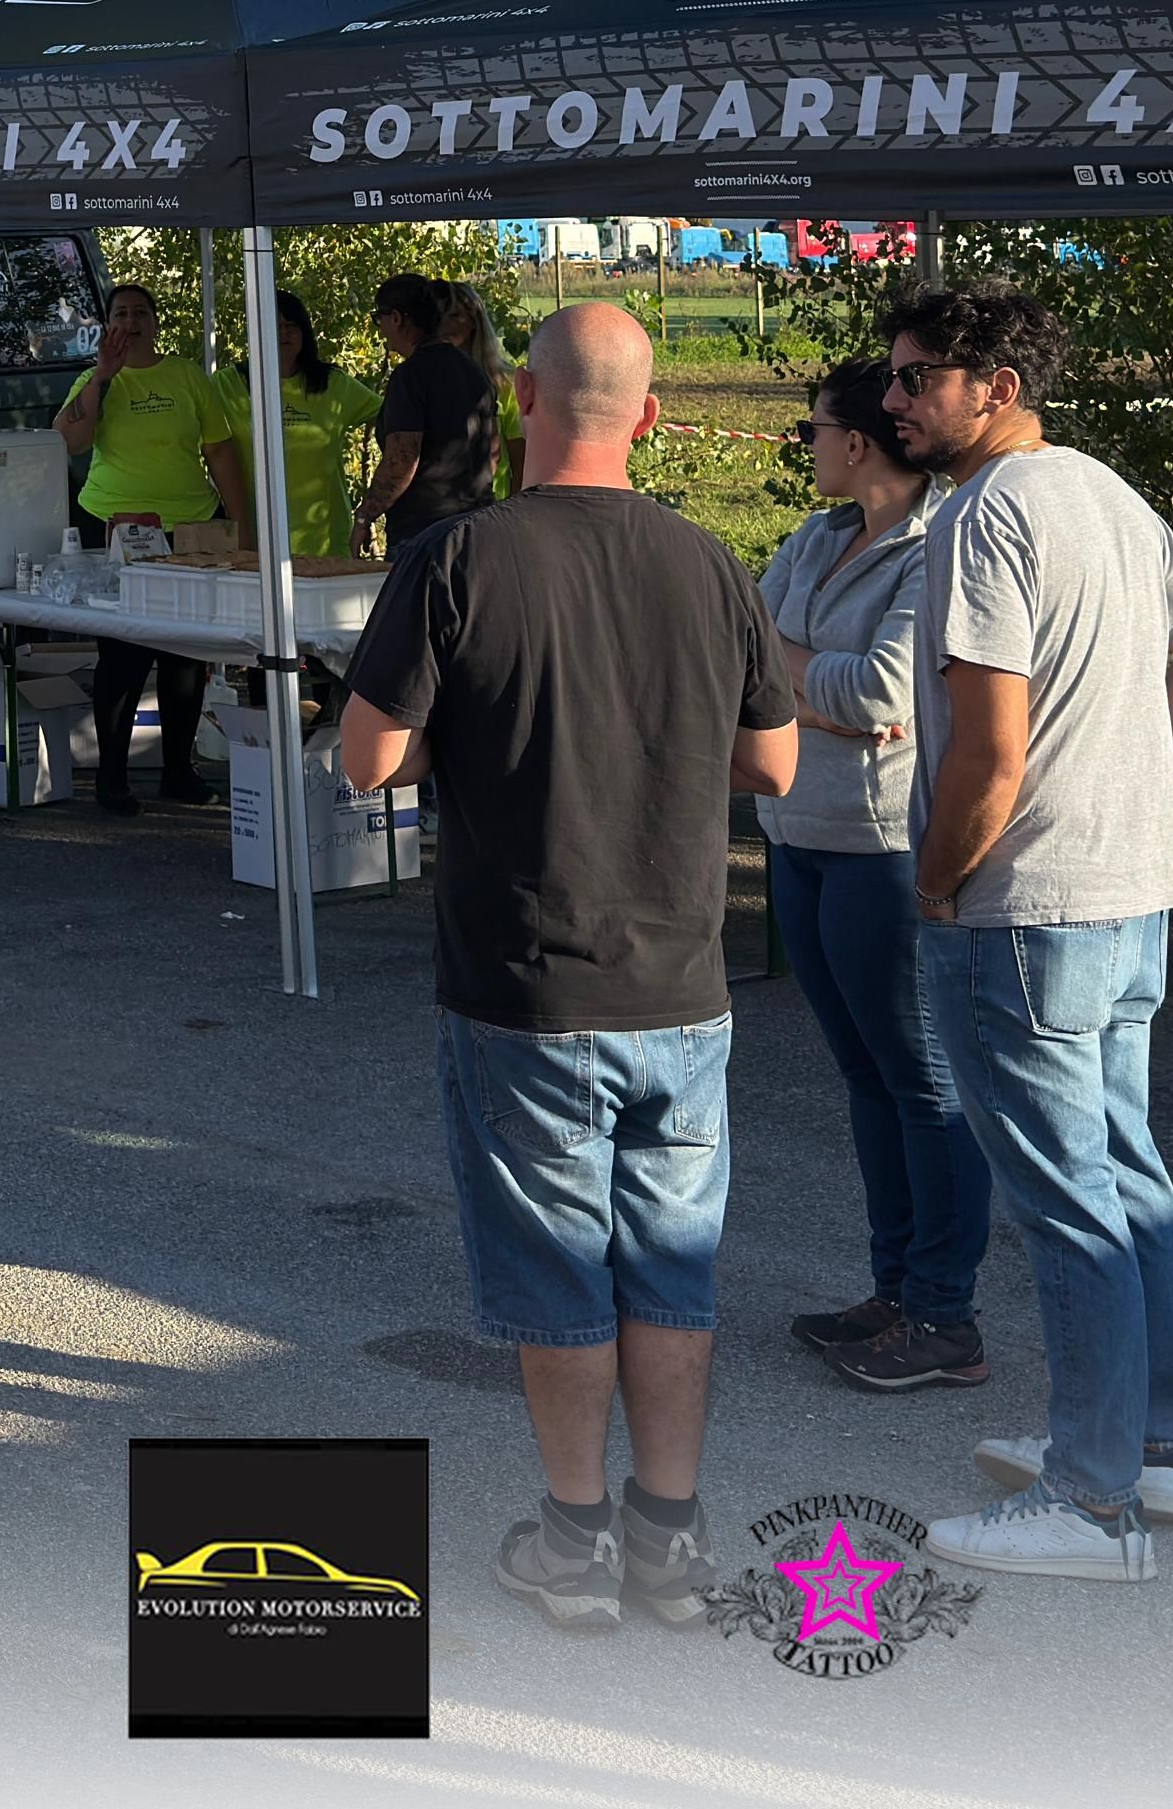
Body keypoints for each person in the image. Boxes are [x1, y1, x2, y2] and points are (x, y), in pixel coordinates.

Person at [338, 303, 797, 1639]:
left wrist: (480, 739)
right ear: (649, 416)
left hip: (526, 985)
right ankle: (671, 1536)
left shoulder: (454, 556)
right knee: (670, 1272)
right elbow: (773, 765)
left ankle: (575, 1538)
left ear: (519, 398)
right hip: (682, 986)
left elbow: (368, 760)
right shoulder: (711, 563)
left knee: (558, 1275)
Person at [881, 282, 1173, 1584]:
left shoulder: (982, 517)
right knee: (1124, 1181)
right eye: (894, 376)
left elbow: (988, 753)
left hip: (1024, 910)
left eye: (917, 377)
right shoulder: (1103, 491)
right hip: (1125, 892)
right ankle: (1139, 1453)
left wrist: (937, 883)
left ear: (995, 388)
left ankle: (1091, 1504)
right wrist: (1127, 779)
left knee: (1067, 1204)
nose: (892, 399)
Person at [757, 358, 989, 1394]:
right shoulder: (815, 537)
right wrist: (819, 693)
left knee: (922, 1083)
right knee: (865, 1076)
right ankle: (893, 1292)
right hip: (796, 833)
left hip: (881, 847)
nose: (804, 446)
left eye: (812, 429)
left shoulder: (932, 548)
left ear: (855, 444)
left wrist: (790, 680)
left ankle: (944, 1312)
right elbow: (738, 652)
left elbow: (885, 692)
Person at [59, 282, 253, 811]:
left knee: (184, 654)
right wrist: (102, 377)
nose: (132, 321)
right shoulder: (95, 379)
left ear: (156, 322)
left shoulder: (188, 375)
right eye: (121, 313)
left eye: (141, 312)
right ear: (107, 325)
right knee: (122, 656)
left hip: (189, 529)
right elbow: (69, 441)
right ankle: (112, 779)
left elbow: (220, 451)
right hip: (117, 528)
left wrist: (243, 526)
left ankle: (178, 771)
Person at [358, 272, 503, 555]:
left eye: (379, 319)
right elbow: (492, 453)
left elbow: (402, 459)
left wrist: (366, 516)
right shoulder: (475, 372)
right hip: (476, 527)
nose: (381, 328)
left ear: (396, 318)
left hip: (423, 533)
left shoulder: (410, 376)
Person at [273, 289, 374, 562]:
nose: (284, 333)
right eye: (275, 325)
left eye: (292, 325)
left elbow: (395, 415)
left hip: (326, 539)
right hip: (256, 540)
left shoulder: (334, 383)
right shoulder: (230, 384)